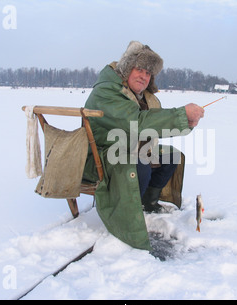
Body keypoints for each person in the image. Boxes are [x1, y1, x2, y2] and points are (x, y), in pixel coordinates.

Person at [83, 41, 204, 251]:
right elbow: (137, 122)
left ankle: (148, 202)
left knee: (172, 156)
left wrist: (187, 122)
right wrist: (181, 114)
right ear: (126, 68)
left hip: (130, 148)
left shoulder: (142, 96)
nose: (143, 76)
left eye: (148, 73)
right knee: (141, 163)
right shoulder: (108, 92)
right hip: (101, 156)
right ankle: (130, 211)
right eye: (139, 69)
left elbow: (155, 124)